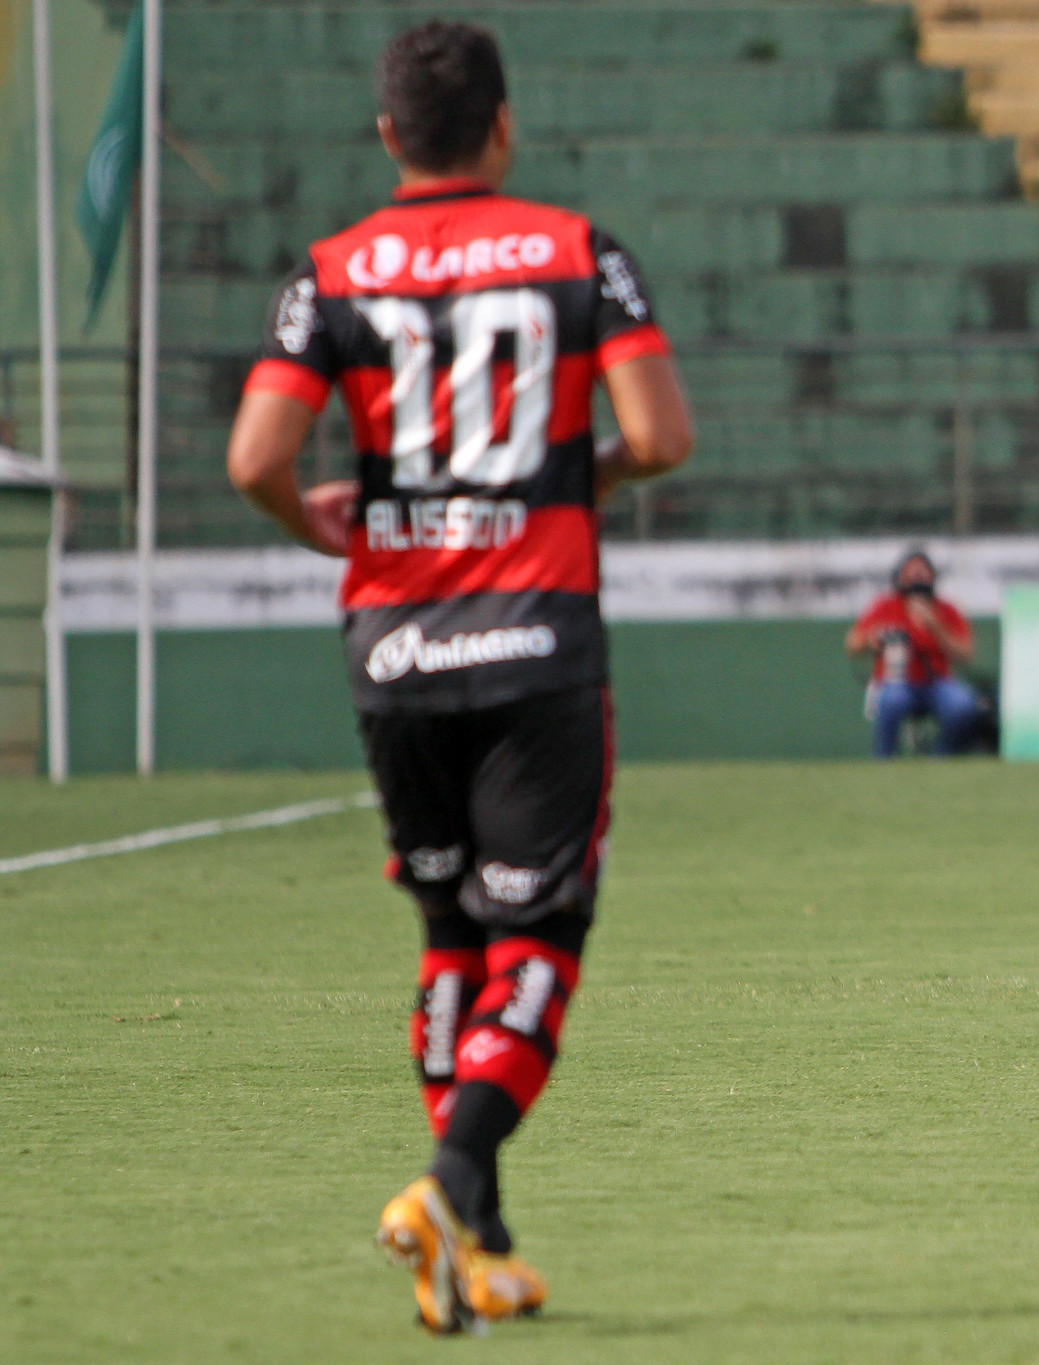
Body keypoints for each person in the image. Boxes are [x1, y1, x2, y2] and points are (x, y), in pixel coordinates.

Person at [224, 21, 693, 1333]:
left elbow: (257, 459)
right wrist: (571, 475)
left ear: (389, 138)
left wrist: (325, 522)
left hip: (394, 644)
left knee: (449, 936)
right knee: (540, 931)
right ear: (503, 125)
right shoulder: (575, 250)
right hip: (536, 635)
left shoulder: (332, 272)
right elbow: (658, 435)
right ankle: (445, 1182)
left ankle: (477, 1246)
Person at [846, 550, 980, 757]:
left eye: (922, 572)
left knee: (962, 704)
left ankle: (941, 757)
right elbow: (852, 645)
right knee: (891, 700)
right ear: (899, 577)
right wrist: (872, 640)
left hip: (937, 682)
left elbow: (965, 654)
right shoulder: (886, 606)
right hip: (895, 681)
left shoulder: (946, 609)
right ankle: (884, 759)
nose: (917, 578)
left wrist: (935, 626)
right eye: (910, 573)